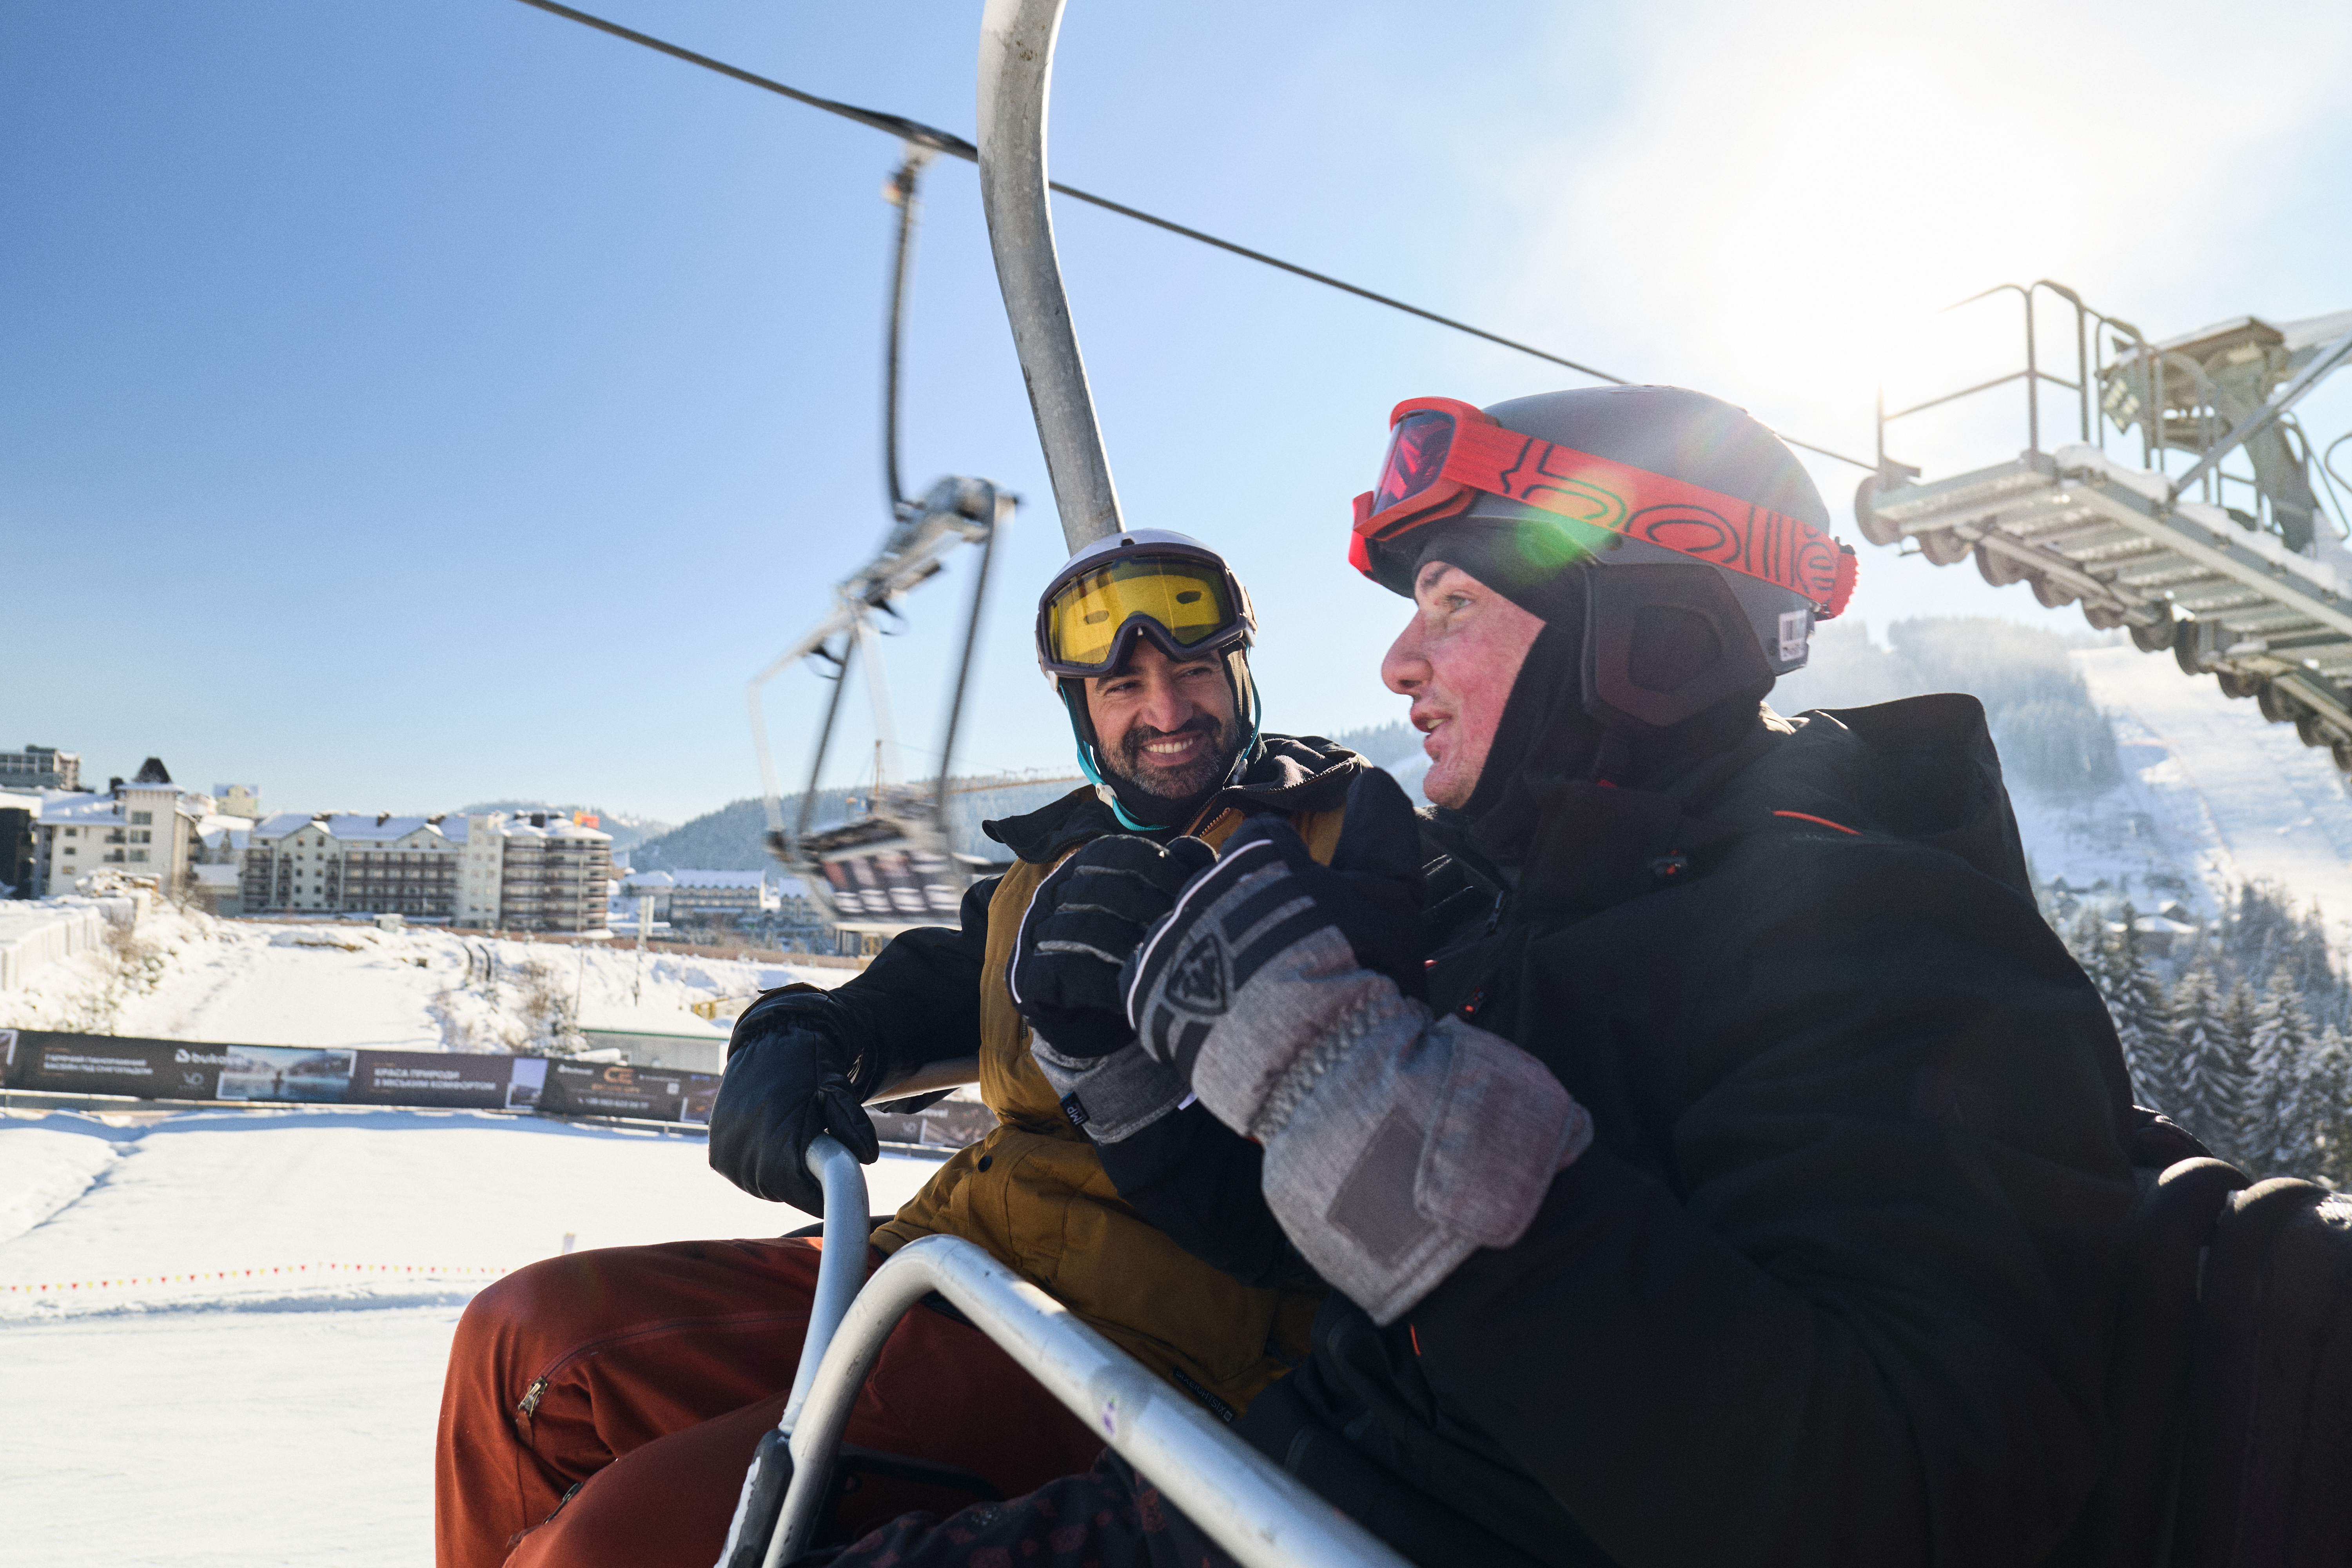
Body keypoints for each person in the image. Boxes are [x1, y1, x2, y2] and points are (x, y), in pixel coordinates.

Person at [814, 385, 2141, 1567]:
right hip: (1293, 1480)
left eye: (1453, 604)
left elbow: (1909, 1497)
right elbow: (1327, 1254)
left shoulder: (1872, 931)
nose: (1399, 662)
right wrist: (1126, 1074)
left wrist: (1342, 1083)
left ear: (1648, 632)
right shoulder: (1552, 908)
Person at [432, 529, 1366, 1568]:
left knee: (619, 1543)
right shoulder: (1058, 860)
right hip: (949, 1265)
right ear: (1081, 715)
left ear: (1240, 674)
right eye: (1121, 685)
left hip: (1135, 1350)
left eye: (1193, 671)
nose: (1165, 711)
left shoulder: (1338, 844)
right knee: (520, 1341)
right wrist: (805, 1032)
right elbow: (936, 986)